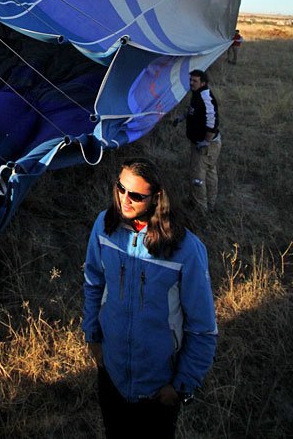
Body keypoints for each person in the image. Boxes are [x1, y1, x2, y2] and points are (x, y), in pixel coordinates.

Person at [82, 157, 217, 438]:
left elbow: (202, 327)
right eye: (120, 188)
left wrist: (181, 385)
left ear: (156, 198)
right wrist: (92, 336)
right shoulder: (103, 228)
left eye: (135, 195)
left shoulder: (186, 250)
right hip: (112, 376)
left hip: (158, 388)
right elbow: (93, 283)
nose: (124, 199)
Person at [172, 69, 222, 214]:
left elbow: (212, 121)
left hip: (205, 145)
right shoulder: (197, 94)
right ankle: (209, 204)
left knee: (198, 176)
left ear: (203, 83)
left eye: (195, 81)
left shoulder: (206, 97)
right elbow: (194, 110)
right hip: (201, 143)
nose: (191, 83)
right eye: (191, 80)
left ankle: (200, 209)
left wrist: (206, 142)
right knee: (209, 171)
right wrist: (182, 117)